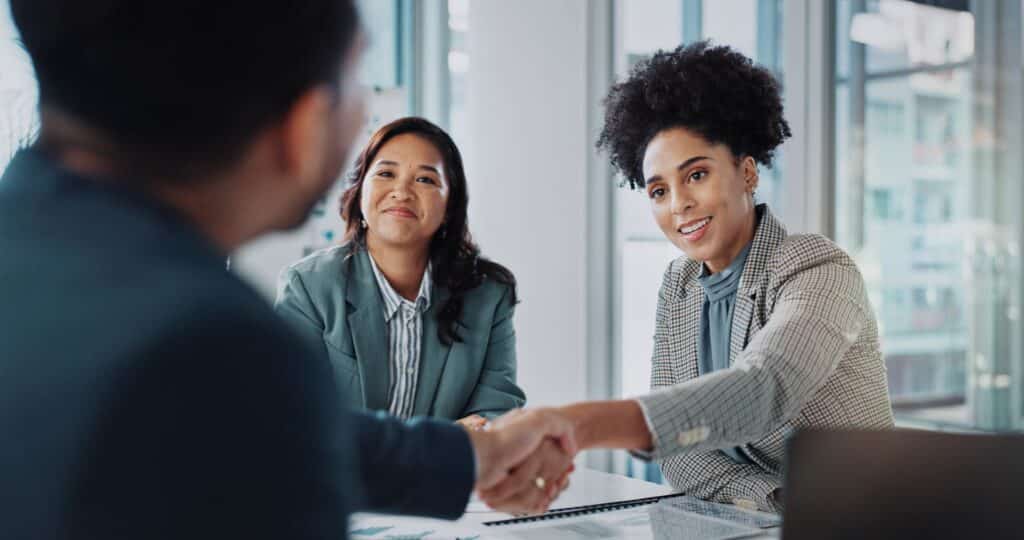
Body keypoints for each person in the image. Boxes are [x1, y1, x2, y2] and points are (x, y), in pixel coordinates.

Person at [0, 2, 572, 539]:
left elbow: (285, 438)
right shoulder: (217, 340)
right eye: (356, 83)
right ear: (306, 126)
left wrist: (474, 455)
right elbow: (280, 438)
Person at [482, 41, 894, 514]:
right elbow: (684, 458)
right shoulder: (679, 286)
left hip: (867, 518)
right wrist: (776, 500)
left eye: (696, 175)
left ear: (746, 172)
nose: (678, 204)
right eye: (659, 190)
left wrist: (576, 424)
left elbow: (762, 389)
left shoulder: (816, 267)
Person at [276, 117, 525, 428]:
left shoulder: (489, 293)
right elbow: (295, 415)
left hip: (448, 476)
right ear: (359, 192)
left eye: (425, 180)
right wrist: (436, 444)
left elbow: (497, 414)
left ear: (449, 207)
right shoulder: (309, 287)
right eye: (385, 173)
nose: (402, 191)